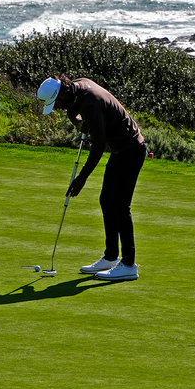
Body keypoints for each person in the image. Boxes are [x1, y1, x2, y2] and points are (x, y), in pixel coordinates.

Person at [37, 76, 147, 281]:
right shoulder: (76, 87)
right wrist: (79, 123)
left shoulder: (90, 103)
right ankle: (111, 256)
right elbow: (71, 110)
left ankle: (129, 265)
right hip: (120, 150)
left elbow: (98, 146)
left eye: (57, 104)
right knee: (107, 201)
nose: (58, 108)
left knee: (120, 206)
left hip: (131, 150)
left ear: (62, 93)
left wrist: (82, 178)